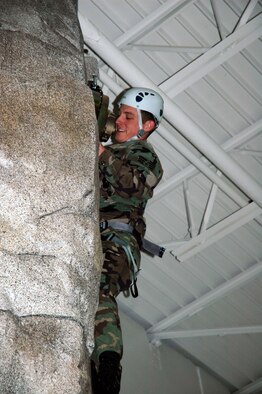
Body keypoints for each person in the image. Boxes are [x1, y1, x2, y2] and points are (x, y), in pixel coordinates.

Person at [91, 87, 164, 394]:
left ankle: (108, 367)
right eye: (119, 113)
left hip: (117, 239)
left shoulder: (144, 156)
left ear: (146, 126)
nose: (118, 121)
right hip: (92, 234)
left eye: (128, 116)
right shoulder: (109, 152)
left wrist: (101, 154)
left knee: (100, 289)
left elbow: (133, 187)